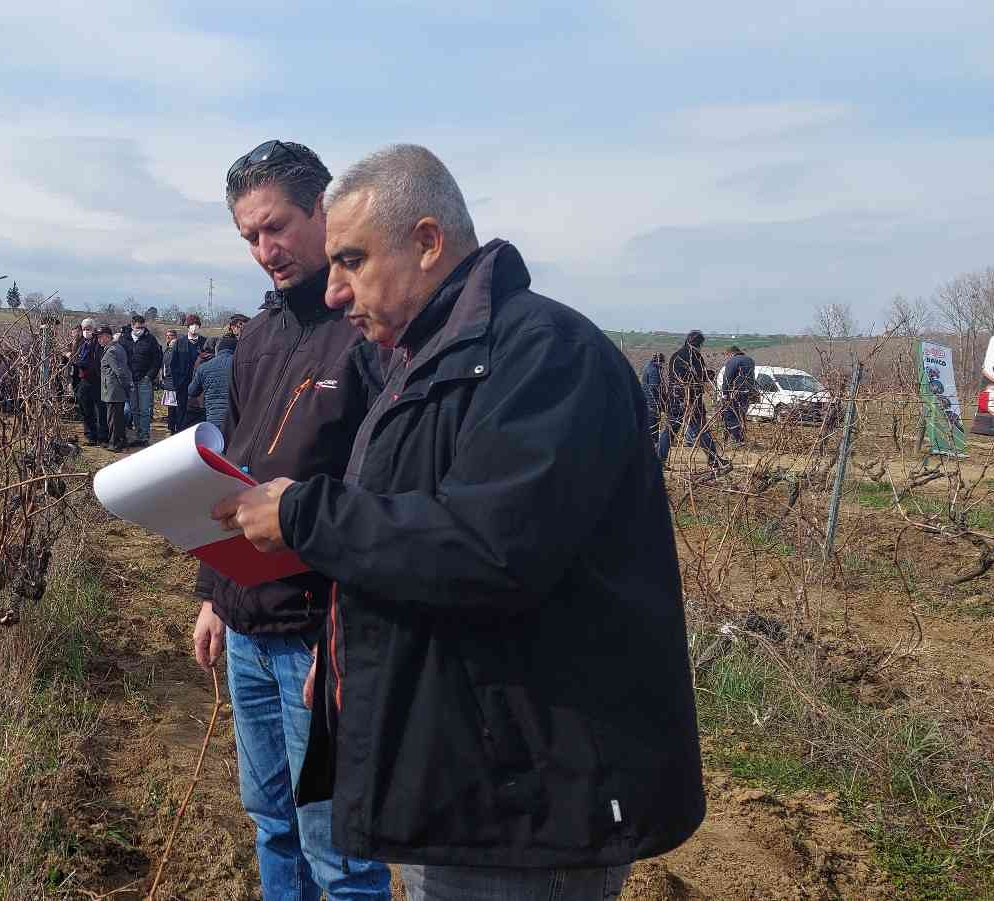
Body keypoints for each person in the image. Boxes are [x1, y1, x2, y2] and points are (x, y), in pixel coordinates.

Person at [210, 145, 705, 899]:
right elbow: (410, 535)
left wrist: (304, 513)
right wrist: (346, 646)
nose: (335, 291)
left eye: (351, 259)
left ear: (428, 241)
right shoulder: (430, 362)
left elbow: (486, 548)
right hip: (466, 775)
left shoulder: (544, 357)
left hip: (533, 803)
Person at [194, 139, 392, 900]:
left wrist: (347, 638)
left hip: (318, 635)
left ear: (321, 211)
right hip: (247, 629)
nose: (263, 250)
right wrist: (215, 595)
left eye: (275, 227)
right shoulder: (255, 339)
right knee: (271, 822)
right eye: (248, 236)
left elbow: (381, 495)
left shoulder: (366, 336)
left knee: (340, 851)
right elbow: (231, 476)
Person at [659, 330, 730, 472]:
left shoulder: (676, 356)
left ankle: (658, 460)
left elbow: (678, 377)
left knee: (671, 430)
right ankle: (714, 461)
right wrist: (708, 375)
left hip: (675, 398)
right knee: (701, 430)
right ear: (699, 343)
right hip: (691, 399)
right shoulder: (696, 357)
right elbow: (697, 377)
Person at [125, 314, 163, 445]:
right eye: (137, 327)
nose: (139, 330)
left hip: (144, 380)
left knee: (145, 409)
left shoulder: (150, 340)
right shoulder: (125, 339)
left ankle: (144, 436)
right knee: (133, 409)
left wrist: (149, 376)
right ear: (132, 326)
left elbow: (157, 359)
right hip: (130, 379)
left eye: (141, 327)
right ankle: (137, 433)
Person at [164, 315, 204, 434]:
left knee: (198, 409)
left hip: (200, 384)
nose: (194, 327)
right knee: (181, 409)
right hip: (182, 384)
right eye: (192, 325)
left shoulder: (204, 342)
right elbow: (173, 364)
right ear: (188, 327)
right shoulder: (179, 343)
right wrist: (177, 382)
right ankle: (180, 431)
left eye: (197, 325)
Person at [188, 332, 235, 433]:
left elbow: (192, 391)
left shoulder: (204, 367)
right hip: (234, 418)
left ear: (218, 349)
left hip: (213, 417)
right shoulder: (240, 365)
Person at [97, 325, 133, 451]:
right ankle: (121, 441)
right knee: (118, 417)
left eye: (101, 337)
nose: (99, 340)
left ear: (107, 337)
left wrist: (125, 386)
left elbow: (119, 371)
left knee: (113, 418)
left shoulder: (111, 350)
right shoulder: (118, 348)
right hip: (117, 390)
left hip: (113, 390)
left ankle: (114, 443)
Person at [72, 319, 106, 445]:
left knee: (100, 409)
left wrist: (78, 362)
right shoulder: (82, 343)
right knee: (85, 408)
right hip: (84, 380)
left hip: (96, 380)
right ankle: (90, 435)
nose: (86, 331)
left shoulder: (97, 343)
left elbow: (93, 362)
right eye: (84, 328)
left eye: (89, 328)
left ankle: (102, 436)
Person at [719, 345, 757, 446]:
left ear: (730, 353)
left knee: (729, 415)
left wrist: (725, 393)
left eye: (727, 356)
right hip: (747, 393)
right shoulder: (750, 360)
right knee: (741, 416)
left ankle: (737, 440)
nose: (727, 358)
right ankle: (738, 438)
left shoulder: (733, 361)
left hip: (735, 392)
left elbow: (727, 378)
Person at [641, 352, 666, 444]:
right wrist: (659, 405)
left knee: (651, 426)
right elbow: (654, 389)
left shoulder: (648, 367)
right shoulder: (654, 370)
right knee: (653, 427)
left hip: (648, 401)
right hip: (652, 403)